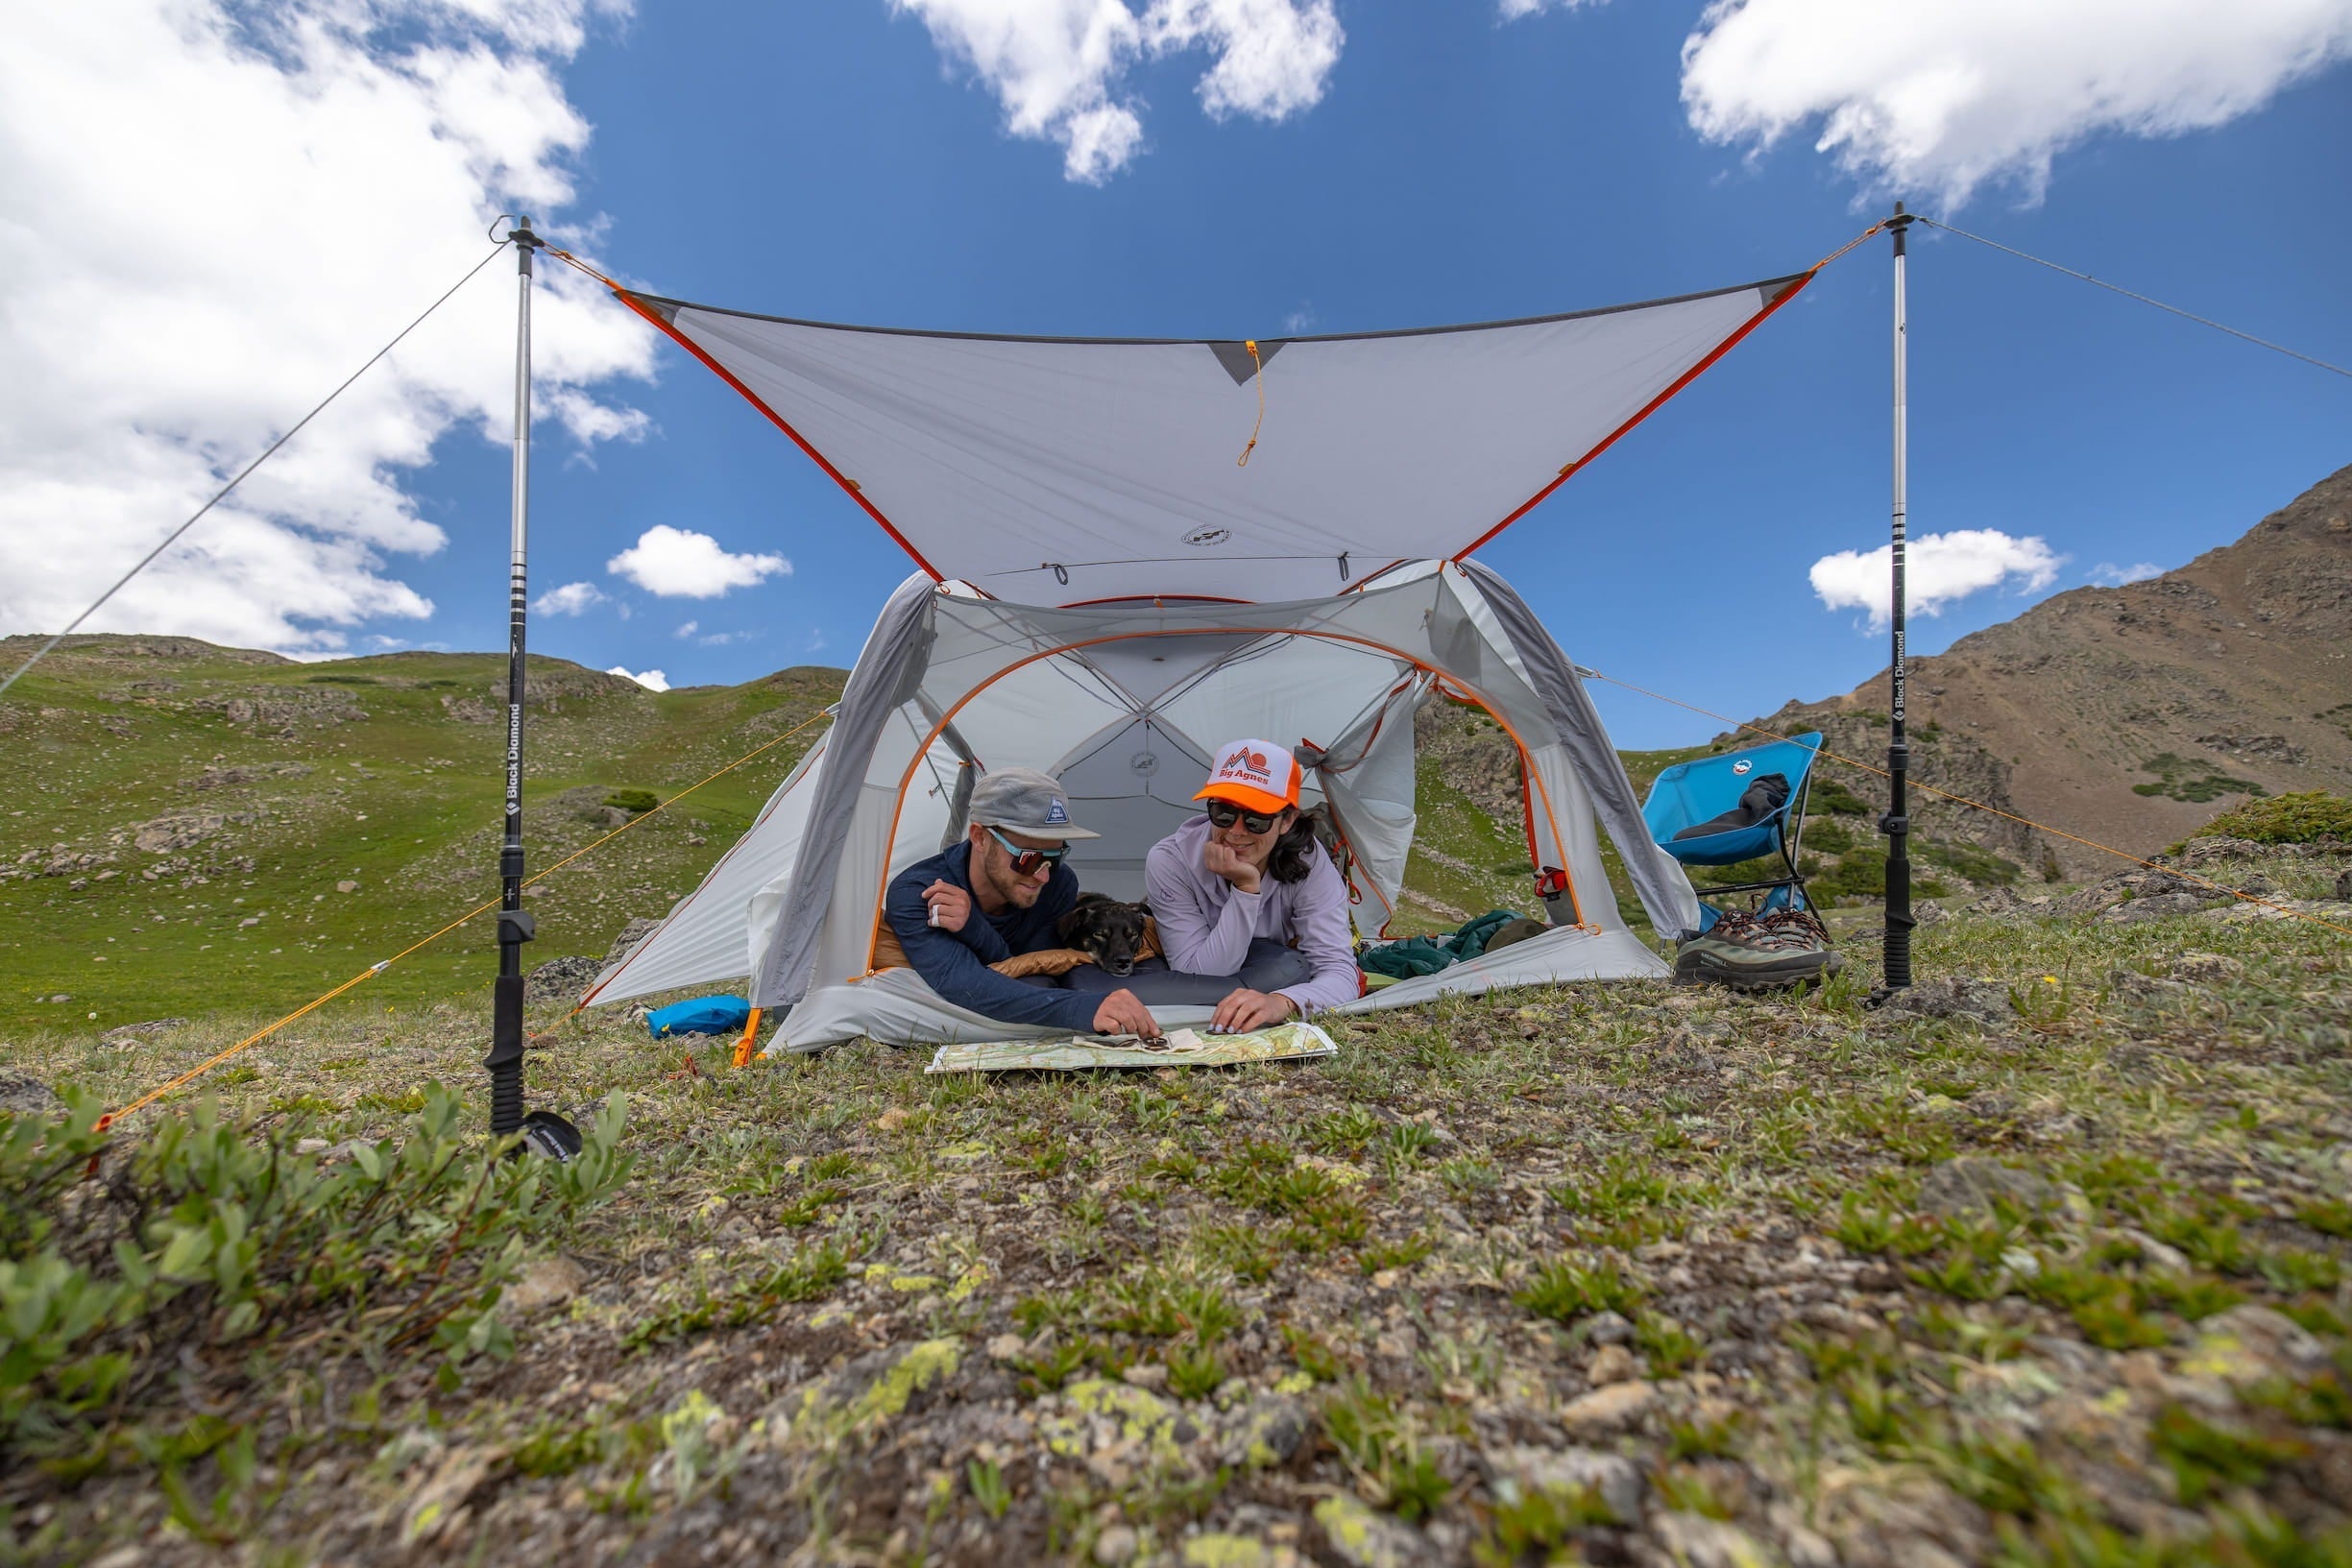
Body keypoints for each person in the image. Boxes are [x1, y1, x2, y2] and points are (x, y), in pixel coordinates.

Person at [1070, 739, 1357, 1031]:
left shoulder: (1309, 862)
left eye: (1256, 819)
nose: (1235, 832)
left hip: (1268, 963)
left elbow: (1339, 971)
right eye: (1224, 813)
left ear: (1287, 821)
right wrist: (1245, 888)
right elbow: (1201, 973)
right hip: (1208, 968)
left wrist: (1282, 1002)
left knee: (1289, 968)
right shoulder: (1172, 859)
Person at [882, 768, 1158, 1038]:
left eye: (1055, 856)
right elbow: (959, 981)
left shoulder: (1059, 884)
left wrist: (974, 927)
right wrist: (1085, 1009)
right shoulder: (919, 892)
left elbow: (1027, 968)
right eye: (1029, 858)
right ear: (980, 837)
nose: (1043, 875)